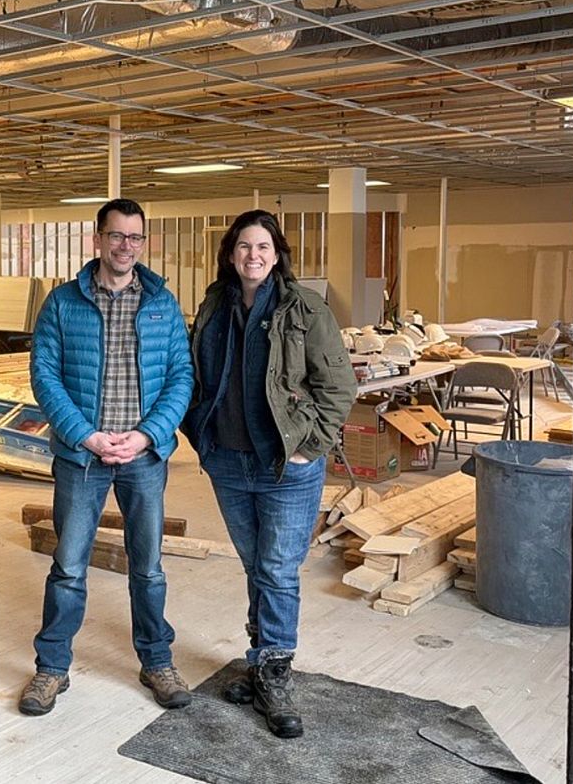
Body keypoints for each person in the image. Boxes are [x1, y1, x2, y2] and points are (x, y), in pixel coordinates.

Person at [183, 209, 357, 738]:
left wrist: (309, 447)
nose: (252, 256)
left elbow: (339, 386)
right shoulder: (216, 304)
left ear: (277, 254)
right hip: (229, 462)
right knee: (256, 566)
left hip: (285, 464)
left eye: (263, 247)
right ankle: (261, 660)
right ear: (230, 253)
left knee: (278, 570)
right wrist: (199, 434)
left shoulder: (304, 307)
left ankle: (276, 671)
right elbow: (197, 374)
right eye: (243, 247)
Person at [19, 198, 195, 716]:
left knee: (149, 568)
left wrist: (146, 436)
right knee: (70, 566)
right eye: (116, 236)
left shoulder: (162, 303)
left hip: (144, 456)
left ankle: (157, 660)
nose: (126, 246)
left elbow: (181, 378)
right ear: (96, 240)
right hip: (83, 457)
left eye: (135, 238)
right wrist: (86, 436)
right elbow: (44, 375)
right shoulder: (62, 302)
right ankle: (51, 669)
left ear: (145, 243)